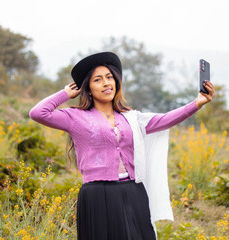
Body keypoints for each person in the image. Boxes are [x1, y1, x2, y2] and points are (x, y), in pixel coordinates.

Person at [29, 52, 214, 240]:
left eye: (109, 77)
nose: (106, 83)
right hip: (97, 195)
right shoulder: (75, 117)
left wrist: (197, 103)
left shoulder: (131, 117)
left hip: (133, 190)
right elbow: (38, 113)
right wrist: (65, 94)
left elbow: (165, 120)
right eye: (98, 80)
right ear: (88, 88)